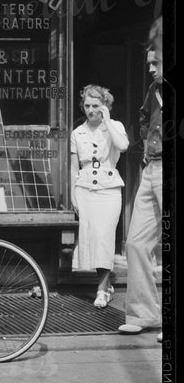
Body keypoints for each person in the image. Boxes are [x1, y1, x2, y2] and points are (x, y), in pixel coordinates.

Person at [118, 17, 164, 340]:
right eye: (149, 63)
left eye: (156, 62)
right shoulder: (152, 90)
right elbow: (144, 117)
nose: (150, 68)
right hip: (152, 169)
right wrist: (147, 143)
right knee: (135, 242)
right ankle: (144, 313)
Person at [69, 85, 129, 308]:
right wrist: (74, 194)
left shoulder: (115, 127)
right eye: (87, 105)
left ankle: (102, 290)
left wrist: (108, 120)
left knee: (104, 236)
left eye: (96, 105)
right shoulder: (77, 133)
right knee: (92, 238)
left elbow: (123, 146)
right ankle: (105, 284)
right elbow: (74, 168)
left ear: (104, 106)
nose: (91, 110)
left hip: (109, 189)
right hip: (85, 189)